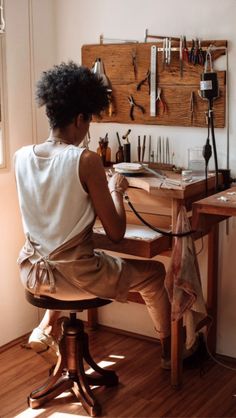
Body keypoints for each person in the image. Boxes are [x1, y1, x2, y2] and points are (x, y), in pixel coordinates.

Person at [14, 61, 172, 369]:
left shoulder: (21, 157)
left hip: (32, 273)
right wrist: (117, 190)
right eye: (88, 122)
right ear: (79, 118)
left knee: (78, 256)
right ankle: (170, 354)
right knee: (155, 273)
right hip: (75, 278)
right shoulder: (85, 160)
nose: (88, 130)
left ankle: (45, 327)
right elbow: (115, 233)